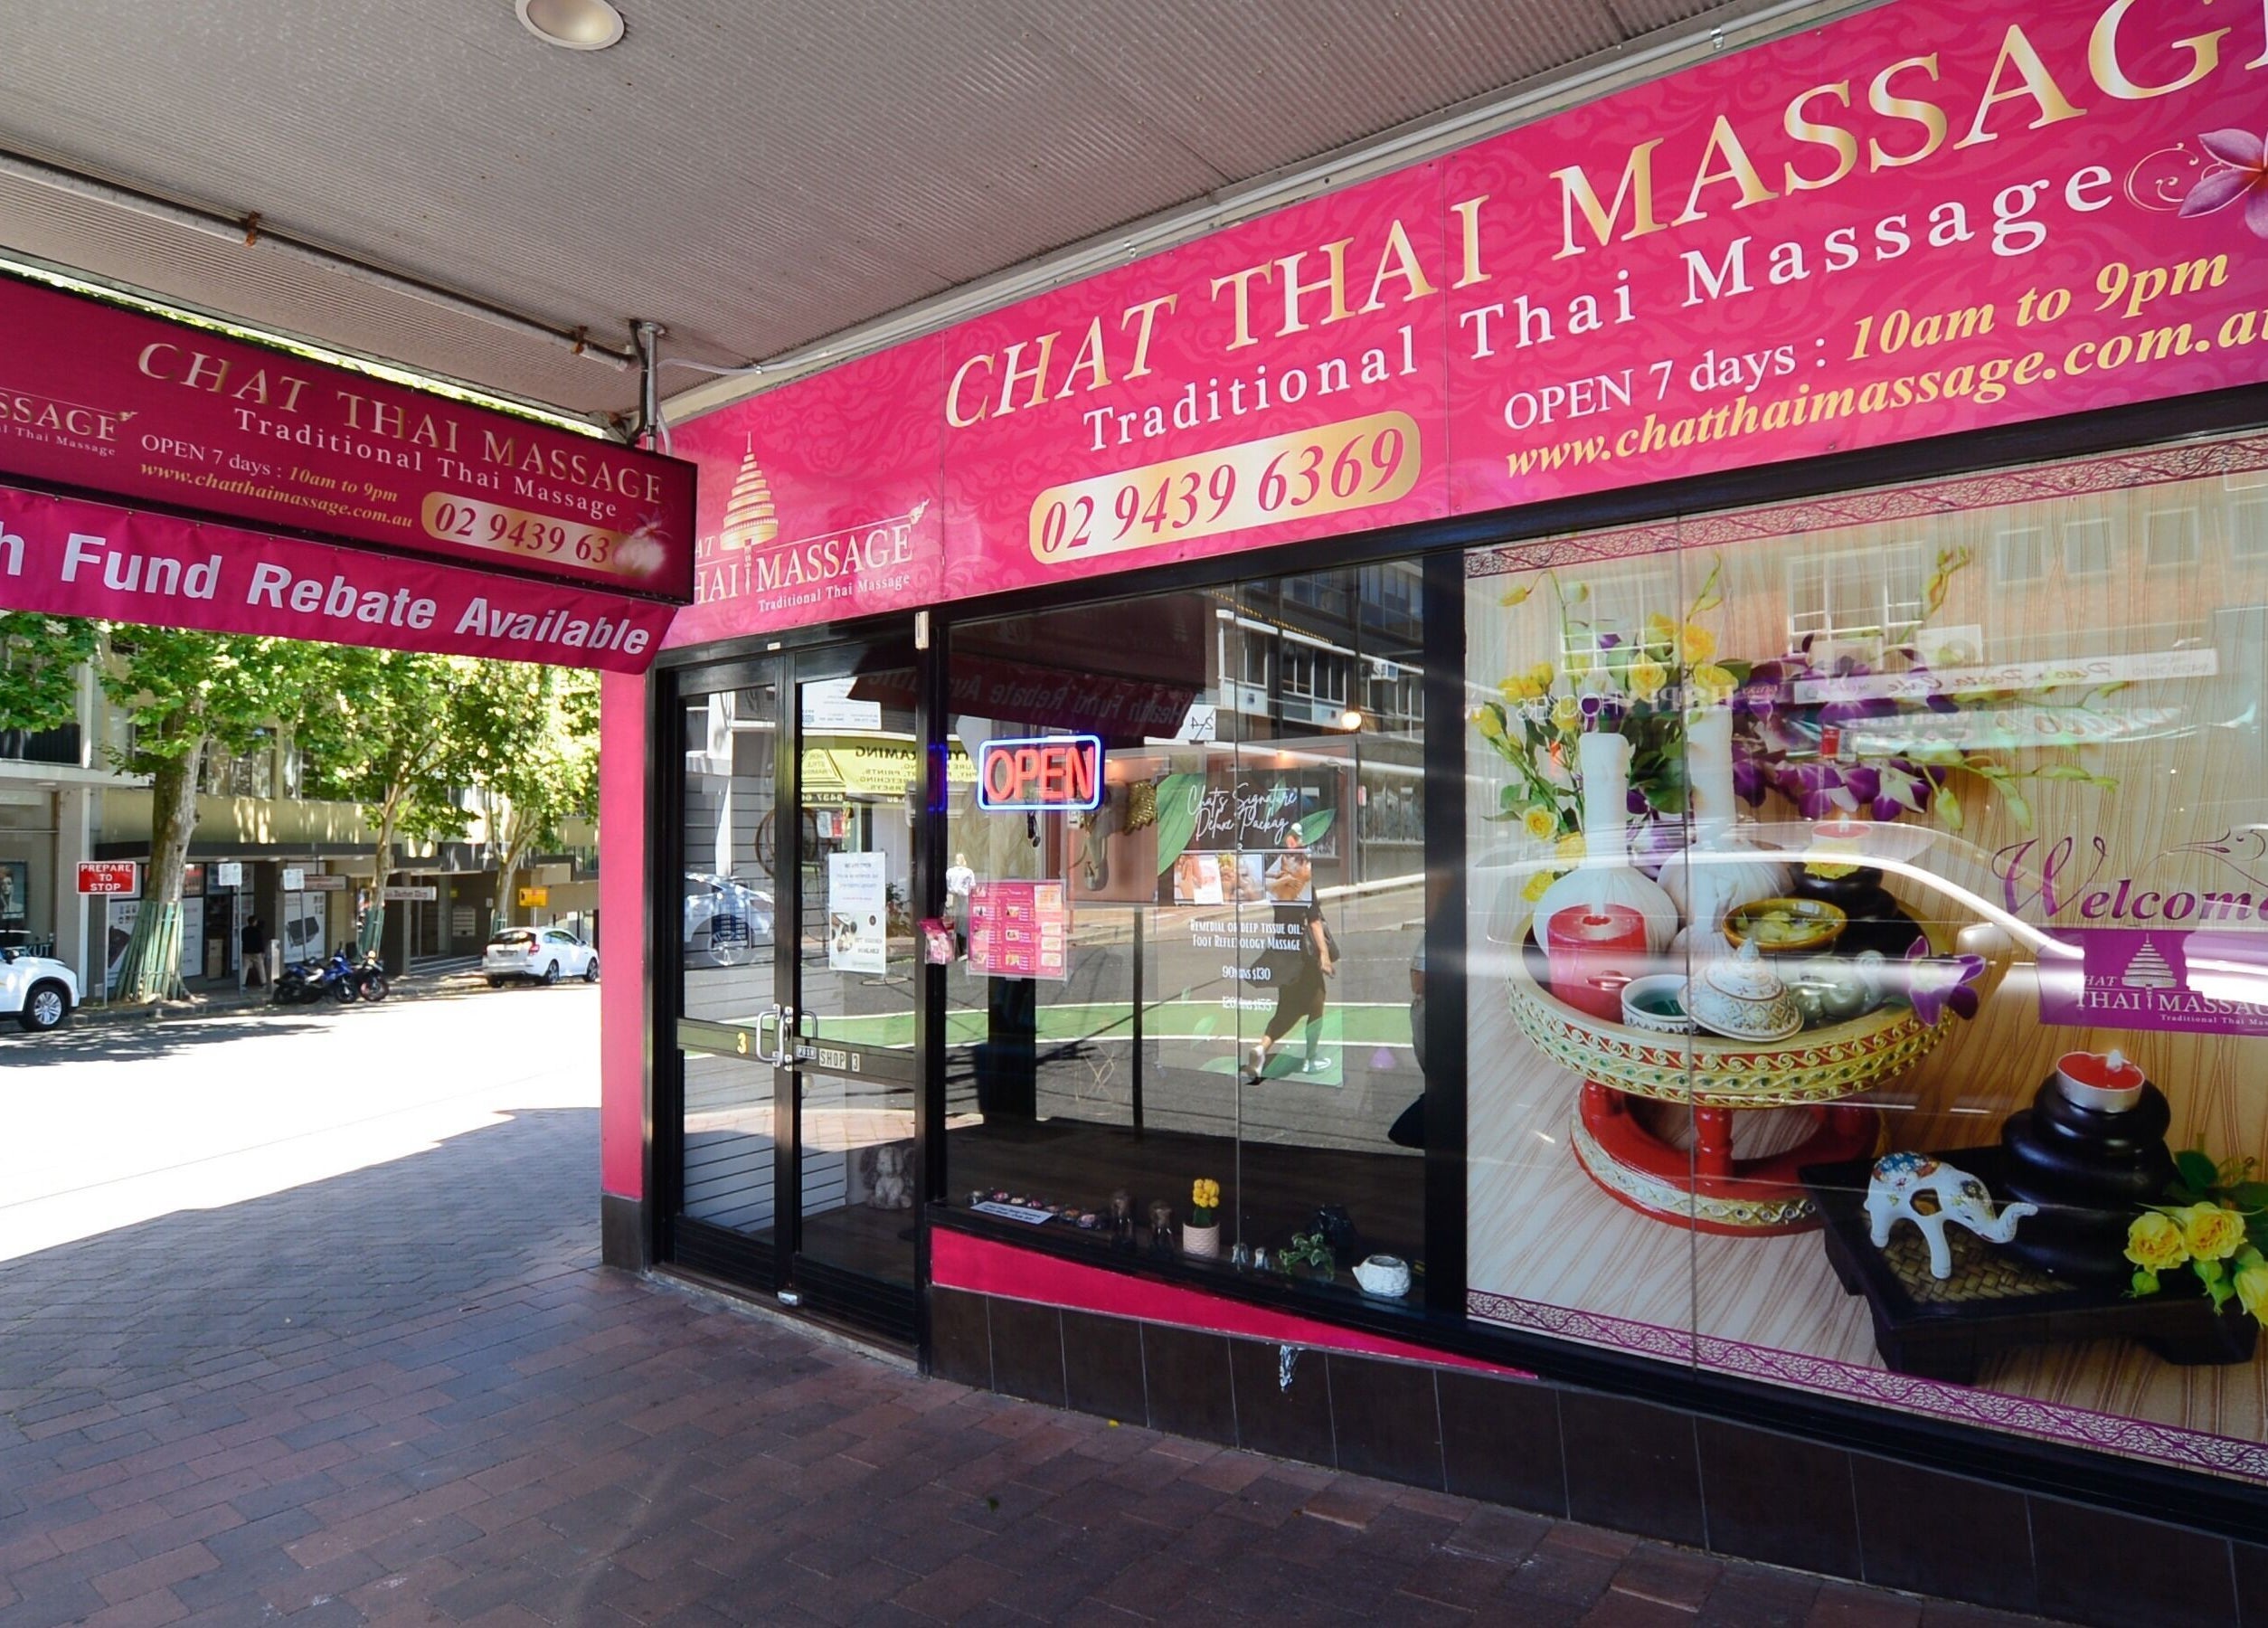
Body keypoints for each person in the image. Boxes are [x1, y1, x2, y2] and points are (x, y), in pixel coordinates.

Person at [1248, 896, 1336, 1078]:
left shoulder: (1280, 889)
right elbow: (1314, 922)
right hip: (1305, 958)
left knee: (1286, 1009)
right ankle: (1311, 1059)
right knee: (1316, 1006)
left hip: (1285, 956)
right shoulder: (1304, 887)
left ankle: (1261, 1048)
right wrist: (1325, 955)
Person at [239, 913, 266, 989]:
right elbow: (260, 942)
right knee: (260, 967)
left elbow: (242, 940)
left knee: (245, 968)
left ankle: (242, 984)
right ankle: (263, 983)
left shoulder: (244, 930)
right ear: (254, 922)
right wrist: (262, 951)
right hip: (256, 952)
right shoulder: (258, 931)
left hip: (246, 951)